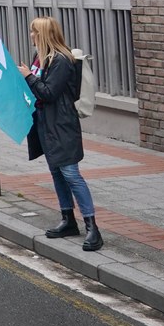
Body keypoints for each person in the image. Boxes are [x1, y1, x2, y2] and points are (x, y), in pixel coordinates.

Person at [22, 17, 103, 251]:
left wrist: (28, 76)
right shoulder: (40, 58)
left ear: (44, 34)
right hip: (45, 124)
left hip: (62, 125)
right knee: (56, 172)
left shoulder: (61, 60)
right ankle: (68, 220)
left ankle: (92, 227)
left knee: (71, 174)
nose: (31, 35)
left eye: (34, 31)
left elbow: (49, 93)